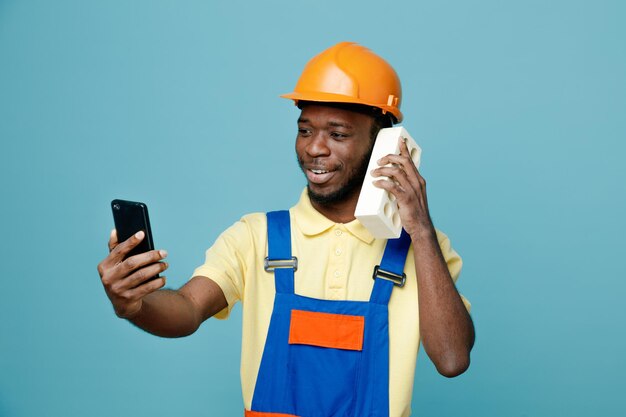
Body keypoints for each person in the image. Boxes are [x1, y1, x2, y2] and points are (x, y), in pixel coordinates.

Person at [97, 42, 474, 417]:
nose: (314, 149)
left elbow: (452, 358)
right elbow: (188, 309)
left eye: (338, 134)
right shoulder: (255, 237)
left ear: (384, 147)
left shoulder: (424, 251)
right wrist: (134, 306)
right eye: (305, 130)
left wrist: (421, 232)